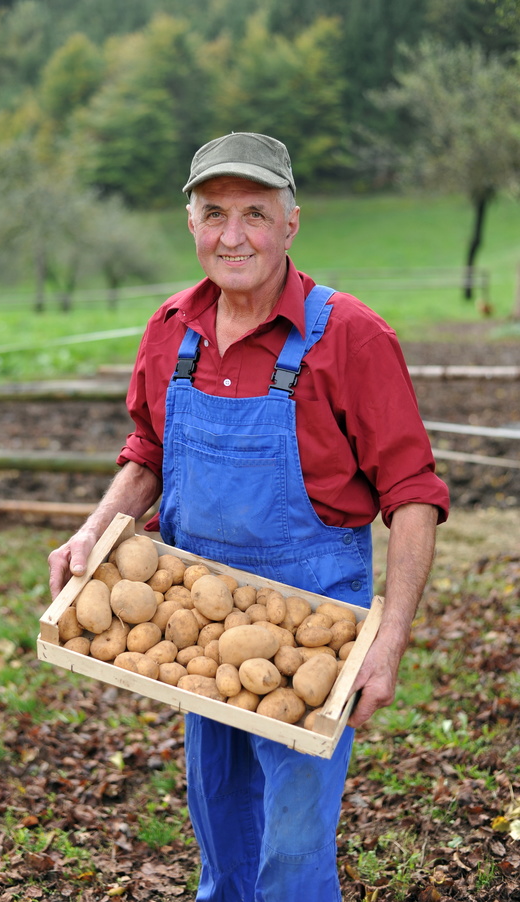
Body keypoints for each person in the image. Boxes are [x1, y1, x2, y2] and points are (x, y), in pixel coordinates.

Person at [48, 132, 449, 902]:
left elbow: (413, 494)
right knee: (223, 826)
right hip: (195, 620)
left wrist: (388, 639)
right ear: (191, 223)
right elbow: (148, 452)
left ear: (291, 222)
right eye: (215, 213)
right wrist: (94, 530)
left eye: (256, 213)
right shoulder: (172, 327)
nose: (233, 235)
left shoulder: (350, 337)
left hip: (312, 633)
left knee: (292, 844)